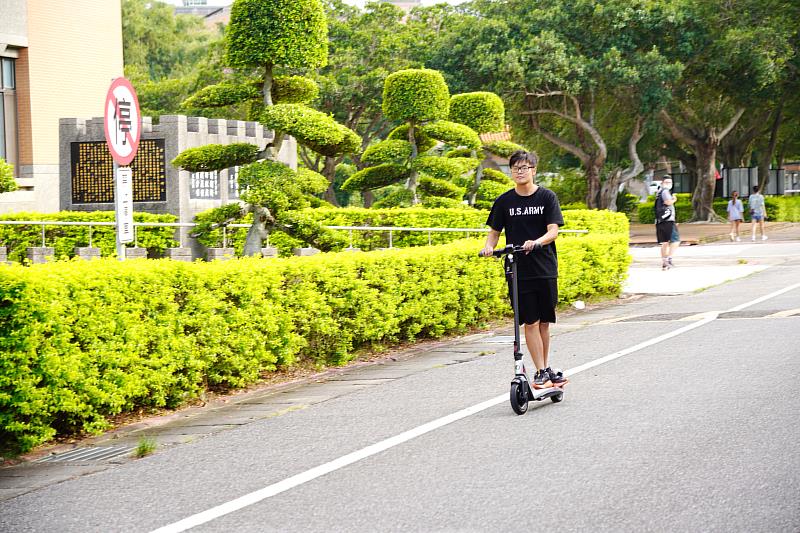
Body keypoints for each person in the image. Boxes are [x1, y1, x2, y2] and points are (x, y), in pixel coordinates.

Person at [480, 150, 565, 389]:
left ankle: (545, 368)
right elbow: (494, 233)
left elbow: (553, 231)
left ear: (533, 170)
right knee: (530, 321)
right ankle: (539, 370)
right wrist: (488, 248)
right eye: (515, 168)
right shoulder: (504, 201)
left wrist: (537, 241)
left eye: (524, 167)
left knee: (544, 322)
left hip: (545, 267)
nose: (519, 172)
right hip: (518, 270)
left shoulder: (547, 198)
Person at [655, 176, 679, 270]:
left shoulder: (658, 192)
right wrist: (674, 199)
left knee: (664, 242)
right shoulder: (665, 191)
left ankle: (664, 262)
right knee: (676, 240)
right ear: (662, 183)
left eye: (670, 182)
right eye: (667, 182)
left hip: (660, 219)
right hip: (668, 220)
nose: (669, 184)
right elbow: (668, 202)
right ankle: (668, 259)